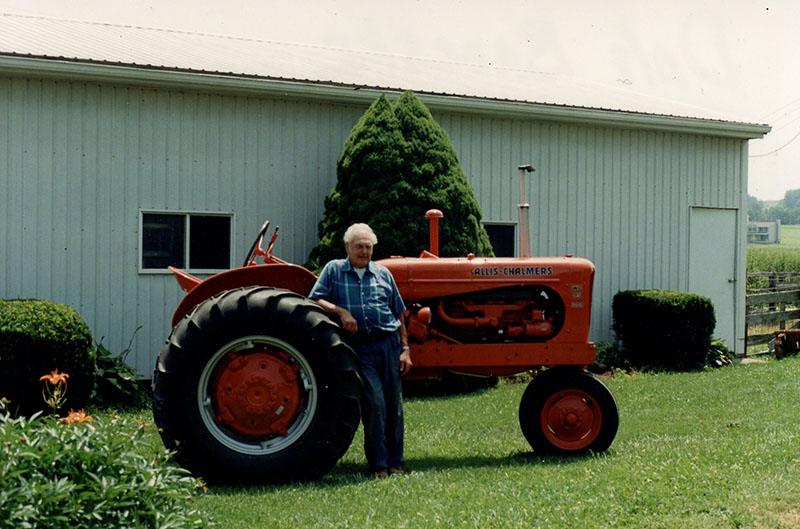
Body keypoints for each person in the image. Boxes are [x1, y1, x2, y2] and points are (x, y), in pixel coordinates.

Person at [309, 223, 412, 478]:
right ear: (347, 247)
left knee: (394, 407)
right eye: (359, 247)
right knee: (375, 404)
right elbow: (315, 298)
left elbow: (398, 312)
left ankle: (396, 463)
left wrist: (405, 348)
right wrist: (340, 311)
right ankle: (379, 464)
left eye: (368, 247)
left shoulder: (383, 273)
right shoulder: (334, 270)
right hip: (361, 349)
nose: (364, 252)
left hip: (388, 344)